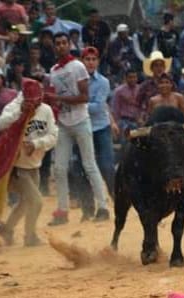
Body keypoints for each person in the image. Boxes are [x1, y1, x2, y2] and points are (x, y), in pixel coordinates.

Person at [46, 32, 109, 225]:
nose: (61, 46)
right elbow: (54, 97)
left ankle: (103, 206)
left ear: (69, 44)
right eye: (58, 43)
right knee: (59, 168)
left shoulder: (78, 66)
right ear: (54, 46)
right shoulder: (54, 71)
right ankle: (62, 210)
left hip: (81, 120)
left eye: (64, 43)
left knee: (89, 165)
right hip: (64, 122)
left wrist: (58, 100)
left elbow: (84, 97)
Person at [0, 78, 57, 247]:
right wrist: (19, 113)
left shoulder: (46, 110)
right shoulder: (15, 106)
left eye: (37, 102)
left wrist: (36, 144)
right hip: (16, 167)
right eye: (30, 103)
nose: (34, 106)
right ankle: (30, 237)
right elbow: (0, 123)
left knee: (26, 202)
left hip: (34, 164)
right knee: (36, 201)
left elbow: (53, 136)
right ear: (24, 99)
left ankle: (7, 228)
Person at [82, 46, 115, 198]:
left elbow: (98, 107)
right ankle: (87, 203)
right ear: (82, 61)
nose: (90, 62)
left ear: (98, 62)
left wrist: (77, 103)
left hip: (101, 127)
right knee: (82, 167)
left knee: (107, 165)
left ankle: (115, 196)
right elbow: (93, 106)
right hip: (82, 127)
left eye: (93, 59)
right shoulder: (76, 81)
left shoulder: (103, 82)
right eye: (87, 59)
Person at [136, 50, 173, 123]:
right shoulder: (145, 85)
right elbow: (138, 104)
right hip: (151, 118)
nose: (159, 68)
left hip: (170, 117)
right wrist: (140, 117)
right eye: (156, 65)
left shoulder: (171, 83)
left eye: (161, 65)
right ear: (151, 68)